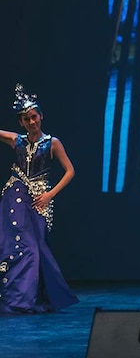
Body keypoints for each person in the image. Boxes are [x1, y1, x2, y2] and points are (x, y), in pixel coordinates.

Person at [0, 83, 79, 313]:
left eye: (34, 117)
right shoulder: (17, 140)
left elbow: (70, 171)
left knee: (37, 248)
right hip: (15, 197)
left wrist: (49, 194)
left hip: (41, 200)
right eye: (26, 119)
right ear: (21, 122)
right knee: (19, 247)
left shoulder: (52, 143)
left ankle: (30, 296)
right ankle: (18, 299)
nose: (32, 122)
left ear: (41, 116)